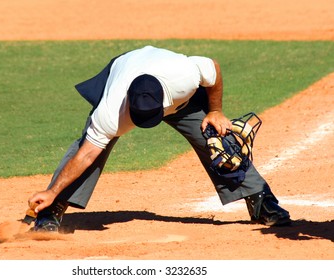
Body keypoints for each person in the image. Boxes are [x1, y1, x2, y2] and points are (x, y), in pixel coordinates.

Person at [28, 45, 291, 232]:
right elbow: (86, 153)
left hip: (176, 93)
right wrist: (51, 191)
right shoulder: (111, 110)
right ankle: (52, 207)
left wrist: (215, 111)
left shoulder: (184, 77)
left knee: (215, 138)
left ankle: (260, 201)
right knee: (93, 146)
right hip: (123, 69)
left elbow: (214, 69)